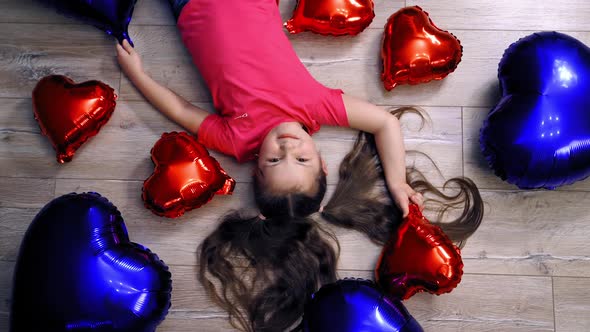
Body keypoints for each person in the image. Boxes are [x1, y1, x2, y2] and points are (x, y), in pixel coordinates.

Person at [116, 0, 484, 331]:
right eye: (302, 158)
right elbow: (384, 123)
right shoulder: (314, 106)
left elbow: (181, 110)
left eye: (275, 160)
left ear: (257, 167)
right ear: (323, 162)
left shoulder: (236, 139)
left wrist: (138, 75)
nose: (287, 146)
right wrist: (397, 181)